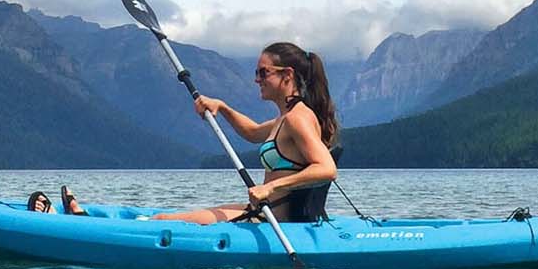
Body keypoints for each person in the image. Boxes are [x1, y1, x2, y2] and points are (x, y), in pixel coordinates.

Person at [59, 42, 341, 224]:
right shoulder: (287, 117)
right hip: (264, 212)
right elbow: (254, 132)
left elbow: (326, 168)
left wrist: (269, 187)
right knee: (168, 217)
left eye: (263, 72)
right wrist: (223, 107)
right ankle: (84, 219)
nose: (257, 79)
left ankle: (82, 222)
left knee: (163, 220)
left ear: (287, 75)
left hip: (270, 219)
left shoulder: (298, 119)